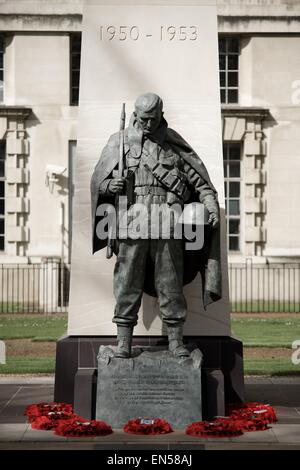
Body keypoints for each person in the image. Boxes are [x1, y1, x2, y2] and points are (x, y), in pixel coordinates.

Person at [91, 93, 221, 358]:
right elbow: (98, 182)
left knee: (170, 284)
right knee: (127, 284)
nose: (149, 125)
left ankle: (175, 341)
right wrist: (108, 185)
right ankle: (124, 341)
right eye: (143, 119)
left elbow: (201, 184)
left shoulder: (174, 145)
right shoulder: (120, 143)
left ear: (161, 114)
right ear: (136, 116)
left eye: (153, 119)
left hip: (168, 224)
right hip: (132, 224)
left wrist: (210, 206)